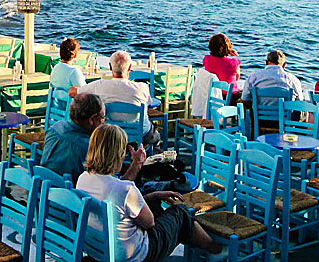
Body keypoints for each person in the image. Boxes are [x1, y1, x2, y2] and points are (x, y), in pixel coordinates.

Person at [76, 124, 222, 262]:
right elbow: (149, 223)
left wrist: (152, 196)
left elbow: (118, 200)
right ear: (117, 155)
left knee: (156, 205)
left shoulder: (82, 179)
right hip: (135, 256)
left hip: (99, 249)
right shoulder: (125, 189)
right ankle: (216, 250)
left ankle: (199, 241)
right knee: (181, 213)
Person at [40, 93, 146, 183]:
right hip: (74, 202)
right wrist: (136, 165)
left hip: (47, 194)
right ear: (92, 119)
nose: (104, 121)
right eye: (103, 117)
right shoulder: (91, 148)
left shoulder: (54, 129)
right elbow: (110, 189)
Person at [76, 50, 161, 149]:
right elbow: (149, 103)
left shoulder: (99, 85)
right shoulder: (143, 87)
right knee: (156, 137)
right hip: (140, 135)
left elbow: (74, 92)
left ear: (110, 66)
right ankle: (148, 159)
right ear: (129, 67)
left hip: (111, 134)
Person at [203, 33, 241, 104]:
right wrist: (228, 52)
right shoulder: (234, 63)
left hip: (213, 95)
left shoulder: (206, 59)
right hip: (230, 97)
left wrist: (226, 53)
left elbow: (218, 59)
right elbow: (237, 78)